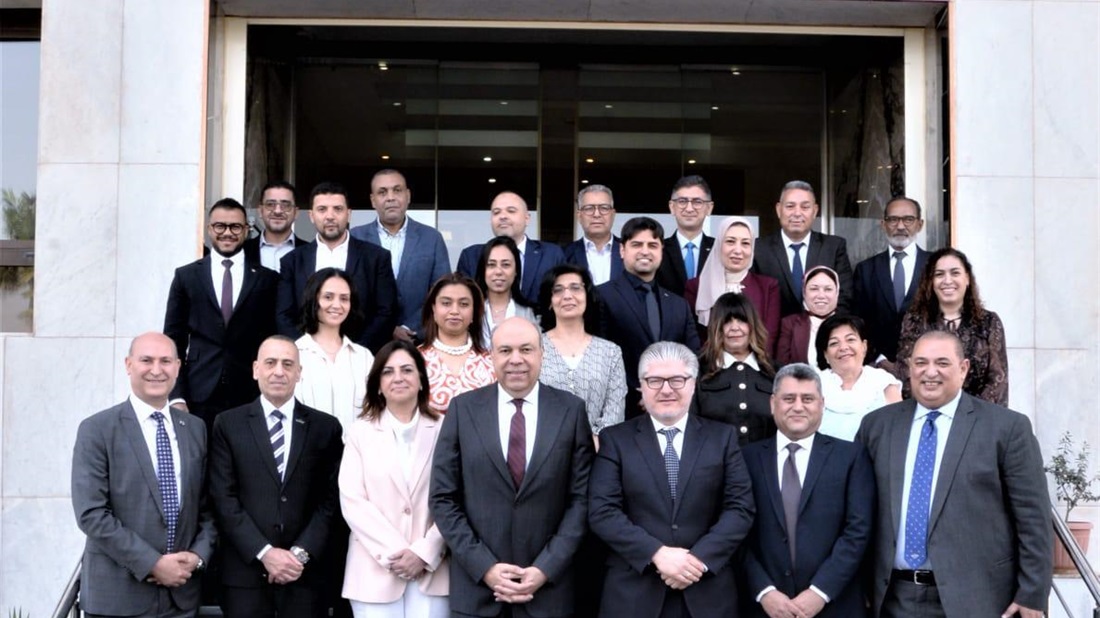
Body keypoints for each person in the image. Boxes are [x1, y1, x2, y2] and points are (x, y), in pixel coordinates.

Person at [855, 331, 1051, 618]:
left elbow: (1033, 518)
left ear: (963, 368)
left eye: (942, 363)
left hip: (978, 599)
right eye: (921, 362)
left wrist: (1032, 594)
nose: (930, 372)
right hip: (892, 598)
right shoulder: (877, 426)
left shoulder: (1006, 428)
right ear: (909, 368)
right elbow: (857, 513)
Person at [430, 317, 595, 618]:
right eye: (505, 350)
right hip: (477, 593)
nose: (516, 359)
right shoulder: (462, 409)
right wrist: (485, 567)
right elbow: (443, 498)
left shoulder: (571, 411)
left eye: (526, 349)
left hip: (549, 594)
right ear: (491, 356)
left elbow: (581, 500)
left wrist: (546, 568)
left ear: (542, 354)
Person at [588, 341, 755, 618]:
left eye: (677, 380)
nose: (666, 389)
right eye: (655, 380)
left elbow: (740, 509)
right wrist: (657, 554)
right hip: (634, 593)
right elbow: (602, 511)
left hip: (707, 592)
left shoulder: (722, 438)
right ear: (641, 386)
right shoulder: (616, 440)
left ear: (693, 384)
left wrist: (696, 561)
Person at [72, 332, 216, 618]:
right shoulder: (97, 429)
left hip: (181, 599)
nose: (156, 370)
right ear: (128, 365)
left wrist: (198, 556)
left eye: (165, 361)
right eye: (146, 360)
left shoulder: (195, 428)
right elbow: (91, 513)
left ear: (178, 367)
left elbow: (207, 506)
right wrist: (152, 563)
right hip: (118, 599)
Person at [208, 336, 345, 617]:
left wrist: (299, 554)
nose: (279, 371)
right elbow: (223, 497)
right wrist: (265, 552)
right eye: (270, 363)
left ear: (299, 372)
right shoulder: (228, 424)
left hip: (305, 576)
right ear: (256, 369)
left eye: (287, 364)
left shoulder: (325, 427)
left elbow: (331, 501)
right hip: (245, 576)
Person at [740, 363, 874, 618]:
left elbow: (858, 531)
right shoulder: (746, 459)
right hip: (765, 608)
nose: (798, 407)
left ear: (822, 404)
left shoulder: (851, 457)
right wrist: (764, 591)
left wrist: (820, 592)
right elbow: (737, 532)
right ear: (773, 403)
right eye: (789, 398)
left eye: (808, 399)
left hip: (835, 605)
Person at [339, 340, 449, 618]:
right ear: (378, 385)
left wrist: (424, 552)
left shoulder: (445, 429)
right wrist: (397, 553)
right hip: (373, 573)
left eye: (407, 370)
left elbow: (456, 498)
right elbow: (353, 501)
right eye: (388, 372)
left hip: (432, 572)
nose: (398, 378)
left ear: (421, 380)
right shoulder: (359, 432)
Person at [164, 197, 280, 426]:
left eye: (235, 226)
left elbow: (273, 338)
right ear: (209, 229)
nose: (227, 233)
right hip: (198, 393)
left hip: (250, 392)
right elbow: (173, 341)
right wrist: (176, 396)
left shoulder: (268, 279)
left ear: (246, 230)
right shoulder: (186, 276)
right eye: (220, 226)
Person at [277, 181, 399, 353]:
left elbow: (386, 312)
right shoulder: (292, 261)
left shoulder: (376, 258)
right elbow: (283, 315)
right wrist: (304, 351)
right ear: (311, 215)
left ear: (348, 214)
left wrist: (356, 352)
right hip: (305, 358)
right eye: (322, 209)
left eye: (338, 209)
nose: (330, 216)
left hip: (361, 357)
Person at [597, 216, 700, 417]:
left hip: (673, 408)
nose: (645, 251)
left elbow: (693, 357)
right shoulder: (601, 296)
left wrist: (668, 391)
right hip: (622, 410)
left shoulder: (678, 304)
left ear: (661, 251)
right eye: (637, 244)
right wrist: (644, 392)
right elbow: (600, 356)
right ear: (622, 250)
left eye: (652, 245)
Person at [894, 247, 1008, 405]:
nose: (947, 281)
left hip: (977, 414)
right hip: (928, 410)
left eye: (955, 273)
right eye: (939, 274)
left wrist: (968, 413)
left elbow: (998, 380)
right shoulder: (914, 321)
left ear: (967, 279)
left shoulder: (989, 322)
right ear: (931, 282)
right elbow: (906, 374)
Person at [350, 169, 450, 343]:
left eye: (397, 190)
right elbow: (349, 293)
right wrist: (386, 328)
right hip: (366, 341)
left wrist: (409, 327)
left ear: (408, 196)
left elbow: (442, 291)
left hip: (417, 340)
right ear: (373, 200)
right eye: (382, 192)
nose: (390, 197)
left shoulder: (431, 238)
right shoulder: (354, 238)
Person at [537, 263, 627, 443]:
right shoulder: (534, 348)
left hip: (599, 450)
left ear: (587, 296)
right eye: (558, 290)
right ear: (549, 301)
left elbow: (615, 411)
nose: (567, 296)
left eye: (575, 288)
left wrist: (594, 442)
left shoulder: (610, 352)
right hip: (544, 448)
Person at [751, 180, 854, 317]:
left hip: (824, 328)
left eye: (805, 207)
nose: (797, 213)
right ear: (778, 210)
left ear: (815, 211)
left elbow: (844, 296)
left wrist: (823, 326)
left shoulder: (833, 247)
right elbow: (752, 299)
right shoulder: (758, 249)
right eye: (790, 206)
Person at [684, 215, 781, 356]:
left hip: (755, 364)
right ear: (719, 245)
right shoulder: (695, 287)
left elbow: (768, 337)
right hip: (710, 364)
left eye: (745, 243)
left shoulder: (768, 287)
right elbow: (695, 337)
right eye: (730, 241)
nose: (738, 250)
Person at [852, 196, 930, 370]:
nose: (900, 226)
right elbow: (858, 321)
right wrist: (877, 358)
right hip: (877, 367)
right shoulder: (865, 270)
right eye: (893, 219)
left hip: (926, 366)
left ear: (920, 224)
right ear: (883, 224)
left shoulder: (934, 266)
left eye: (908, 219)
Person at [294, 268, 374, 434]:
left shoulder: (364, 357)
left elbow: (375, 410)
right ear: (313, 299)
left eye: (344, 298)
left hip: (356, 448)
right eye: (328, 297)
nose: (337, 305)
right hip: (308, 448)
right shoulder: (294, 354)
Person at [694, 292, 777, 445]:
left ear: (752, 325)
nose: (734, 328)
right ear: (716, 327)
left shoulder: (774, 372)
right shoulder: (698, 370)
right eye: (727, 322)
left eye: (741, 320)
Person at [456, 191, 565, 305]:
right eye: (496, 212)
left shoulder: (551, 255)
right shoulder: (471, 256)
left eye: (511, 211)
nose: (503, 216)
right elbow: (464, 302)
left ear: (527, 218)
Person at [814, 314, 901, 441]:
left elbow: (898, 434)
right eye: (834, 343)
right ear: (825, 354)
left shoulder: (884, 384)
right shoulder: (813, 386)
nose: (843, 347)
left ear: (864, 346)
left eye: (850, 339)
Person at [418, 273, 496, 415]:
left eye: (464, 304)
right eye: (446, 303)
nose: (455, 311)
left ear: (474, 312)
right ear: (433, 309)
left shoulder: (492, 362)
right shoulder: (414, 360)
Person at [655, 175, 716, 296]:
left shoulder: (718, 249)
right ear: (672, 207)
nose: (689, 209)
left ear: (709, 208)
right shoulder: (658, 249)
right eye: (682, 201)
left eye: (697, 202)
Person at [476, 235, 538, 344]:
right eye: (491, 265)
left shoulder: (529, 313)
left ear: (516, 270)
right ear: (483, 270)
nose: (498, 271)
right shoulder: (472, 311)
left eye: (505, 265)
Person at [776, 266, 840, 366]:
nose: (821, 295)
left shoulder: (849, 325)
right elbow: (782, 365)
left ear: (837, 292)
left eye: (828, 289)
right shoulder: (790, 324)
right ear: (804, 293)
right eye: (814, 289)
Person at [562, 184, 623, 285]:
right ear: (579, 216)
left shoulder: (629, 251)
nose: (597, 214)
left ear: (613, 214)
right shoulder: (565, 254)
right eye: (589, 208)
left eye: (604, 208)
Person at [244, 180, 309, 272]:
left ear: (296, 212)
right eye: (270, 204)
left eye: (285, 205)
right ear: (260, 211)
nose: (277, 211)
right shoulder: (243, 251)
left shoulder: (311, 253)